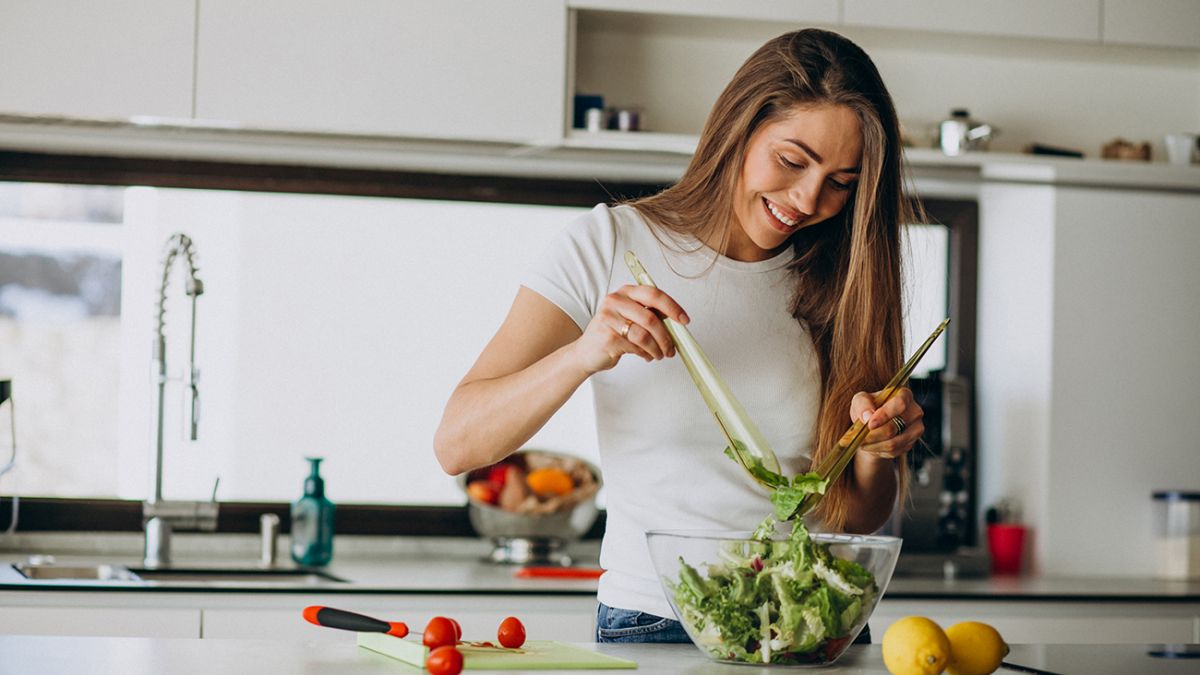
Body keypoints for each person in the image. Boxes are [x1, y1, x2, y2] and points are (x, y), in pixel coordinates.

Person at [434, 28, 925, 645]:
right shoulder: (610, 245)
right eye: (792, 161)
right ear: (738, 130)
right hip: (658, 619)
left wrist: (880, 450)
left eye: (841, 182)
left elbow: (853, 513)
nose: (807, 199)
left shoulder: (845, 280)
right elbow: (458, 443)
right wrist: (585, 352)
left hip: (817, 623)